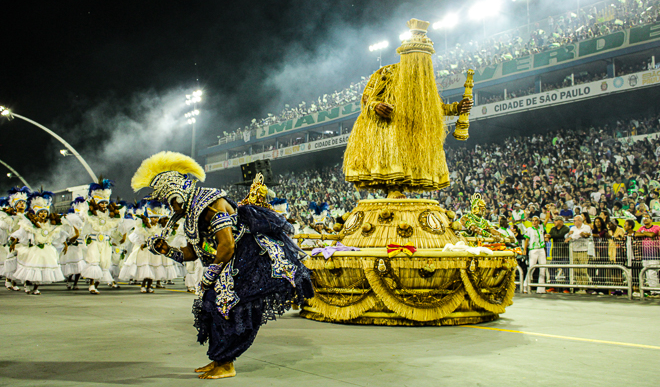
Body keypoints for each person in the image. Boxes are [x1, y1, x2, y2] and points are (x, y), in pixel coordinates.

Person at [131, 151, 314, 379]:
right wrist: (166, 250)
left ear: (178, 194)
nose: (171, 208)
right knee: (213, 305)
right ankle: (220, 359)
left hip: (248, 260)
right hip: (228, 263)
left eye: (170, 201)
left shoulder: (211, 205)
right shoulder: (191, 213)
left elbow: (226, 246)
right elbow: (193, 253)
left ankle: (226, 363)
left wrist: (210, 276)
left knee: (231, 309)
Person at [343, 19, 472, 197]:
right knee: (393, 142)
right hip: (389, 129)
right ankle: (393, 188)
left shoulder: (424, 83)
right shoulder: (387, 73)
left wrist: (457, 108)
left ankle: (399, 188)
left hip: (412, 131)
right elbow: (366, 98)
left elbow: (433, 108)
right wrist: (376, 106)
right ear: (408, 55)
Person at [11, 191, 71, 294]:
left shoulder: (51, 224)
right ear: (37, 213)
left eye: (44, 212)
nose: (43, 214)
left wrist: (64, 243)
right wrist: (14, 241)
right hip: (34, 249)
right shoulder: (31, 223)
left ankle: (35, 288)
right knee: (31, 268)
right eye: (40, 212)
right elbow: (22, 233)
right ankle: (27, 285)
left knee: (41, 270)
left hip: (47, 249)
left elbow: (57, 235)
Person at [81, 180, 126, 294]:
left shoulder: (110, 215)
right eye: (101, 203)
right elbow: (85, 224)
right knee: (93, 261)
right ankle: (91, 285)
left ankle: (96, 285)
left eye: (105, 203)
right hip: (94, 241)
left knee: (104, 263)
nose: (104, 205)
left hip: (106, 242)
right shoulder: (90, 215)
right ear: (96, 203)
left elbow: (116, 226)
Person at [60, 197, 88, 290]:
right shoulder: (69, 226)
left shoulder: (84, 226)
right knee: (72, 266)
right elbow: (68, 238)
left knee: (79, 266)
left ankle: (76, 283)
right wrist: (75, 236)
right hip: (72, 247)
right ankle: (69, 280)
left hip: (81, 247)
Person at [567, 215, 593, 293]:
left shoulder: (586, 227)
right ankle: (579, 286)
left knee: (583, 269)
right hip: (574, 250)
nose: (574, 222)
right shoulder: (572, 228)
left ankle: (585, 287)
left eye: (575, 221)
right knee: (576, 269)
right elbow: (568, 236)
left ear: (580, 221)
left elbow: (580, 235)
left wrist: (572, 237)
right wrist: (569, 235)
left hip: (583, 250)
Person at [635, 216, 660, 292]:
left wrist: (643, 233)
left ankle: (656, 291)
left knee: (652, 273)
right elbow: (636, 234)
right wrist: (646, 233)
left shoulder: (656, 227)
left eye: (647, 217)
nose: (645, 219)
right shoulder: (641, 227)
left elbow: (652, 234)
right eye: (644, 218)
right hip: (645, 255)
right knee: (646, 273)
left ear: (651, 219)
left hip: (654, 254)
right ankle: (651, 291)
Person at [546, 216, 570, 293]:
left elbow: (561, 235)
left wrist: (551, 236)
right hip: (555, 253)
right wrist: (548, 237)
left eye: (556, 220)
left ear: (561, 221)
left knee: (567, 271)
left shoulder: (566, 228)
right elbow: (549, 235)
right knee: (551, 268)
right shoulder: (553, 229)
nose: (554, 222)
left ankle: (567, 287)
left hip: (564, 253)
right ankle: (553, 286)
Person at [524, 216, 547, 294]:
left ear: (538, 222)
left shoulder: (541, 228)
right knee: (531, 268)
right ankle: (525, 286)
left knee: (543, 268)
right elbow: (527, 240)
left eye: (536, 221)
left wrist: (548, 211)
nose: (534, 222)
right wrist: (524, 249)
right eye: (533, 221)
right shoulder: (529, 230)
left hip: (541, 249)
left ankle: (541, 288)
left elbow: (546, 219)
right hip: (533, 250)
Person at [511, 225, 528, 293]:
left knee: (522, 269)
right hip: (513, 255)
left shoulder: (521, 236)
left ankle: (521, 284)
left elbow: (524, 238)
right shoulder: (510, 235)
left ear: (515, 229)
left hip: (520, 256)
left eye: (511, 228)